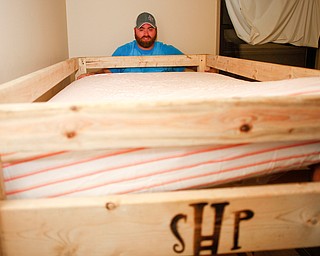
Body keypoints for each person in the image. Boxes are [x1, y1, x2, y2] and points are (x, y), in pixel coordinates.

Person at [78, 12, 184, 79]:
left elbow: (191, 63)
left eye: (150, 29)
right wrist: (91, 75)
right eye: (141, 29)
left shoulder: (166, 50)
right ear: (135, 30)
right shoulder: (124, 51)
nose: (146, 34)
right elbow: (106, 72)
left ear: (156, 31)